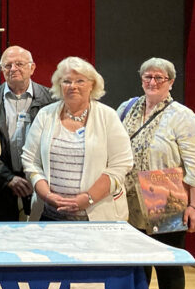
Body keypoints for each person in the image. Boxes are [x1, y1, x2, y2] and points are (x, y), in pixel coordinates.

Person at [118, 57, 195, 289]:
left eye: (159, 77)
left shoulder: (183, 116)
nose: (152, 82)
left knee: (167, 263)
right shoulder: (127, 108)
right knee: (137, 263)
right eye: (147, 76)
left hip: (165, 199)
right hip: (130, 201)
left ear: (171, 82)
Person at [22, 56, 133, 222]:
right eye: (67, 81)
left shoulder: (108, 116)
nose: (72, 86)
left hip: (98, 218)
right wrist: (47, 195)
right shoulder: (45, 114)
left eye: (80, 81)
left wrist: (88, 198)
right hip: (49, 216)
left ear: (92, 85)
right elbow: (30, 161)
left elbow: (121, 164)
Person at [0, 45, 55, 221]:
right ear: (1, 70)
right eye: (7, 65)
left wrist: (35, 177)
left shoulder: (52, 101)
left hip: (44, 185)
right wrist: (7, 178)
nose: (13, 69)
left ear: (32, 67)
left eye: (19, 64)